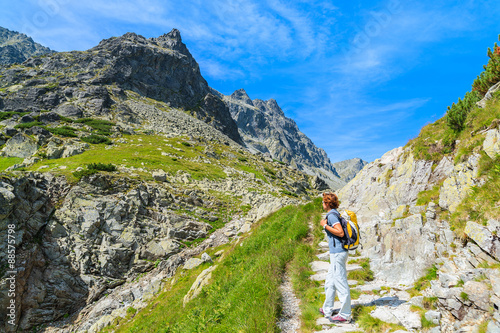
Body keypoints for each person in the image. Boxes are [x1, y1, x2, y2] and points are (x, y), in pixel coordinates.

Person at [319, 192, 351, 323]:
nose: (322, 204)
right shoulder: (334, 214)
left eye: (323, 202)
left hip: (338, 253)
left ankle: (345, 314)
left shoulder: (332, 216)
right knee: (330, 282)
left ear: (327, 203)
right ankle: (327, 309)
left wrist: (325, 225)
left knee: (340, 282)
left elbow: (340, 232)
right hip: (336, 253)